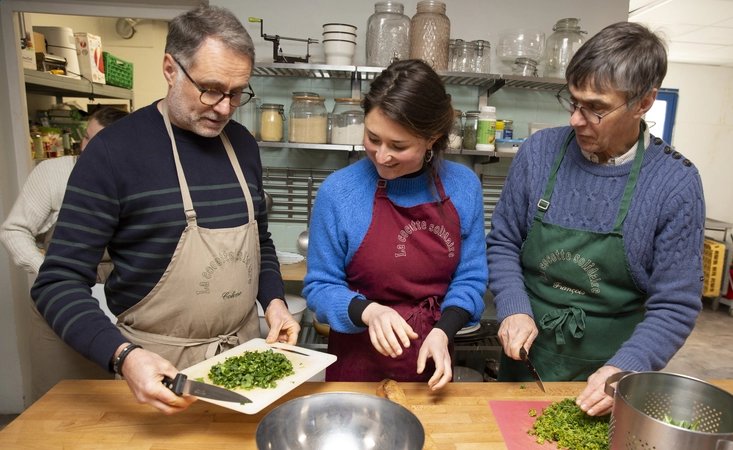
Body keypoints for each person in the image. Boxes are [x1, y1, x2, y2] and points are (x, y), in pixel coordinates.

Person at [31, 5, 300, 415]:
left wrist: (274, 302)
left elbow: (258, 241)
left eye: (237, 92)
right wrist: (123, 356)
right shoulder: (113, 153)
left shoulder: (243, 144)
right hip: (158, 376)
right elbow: (57, 283)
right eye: (211, 89)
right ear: (170, 69)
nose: (226, 108)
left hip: (243, 360)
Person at [486, 22, 705, 416]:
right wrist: (514, 305)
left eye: (596, 108)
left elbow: (675, 303)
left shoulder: (676, 184)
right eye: (573, 101)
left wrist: (627, 368)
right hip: (527, 363)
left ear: (644, 102)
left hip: (614, 374)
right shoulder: (539, 152)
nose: (576, 119)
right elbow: (503, 242)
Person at [302, 59, 488, 391]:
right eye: (373, 138)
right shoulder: (338, 192)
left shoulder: (464, 187)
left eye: (399, 146)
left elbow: (470, 279)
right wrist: (370, 312)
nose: (382, 155)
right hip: (356, 365)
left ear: (432, 138)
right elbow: (320, 287)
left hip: (433, 363)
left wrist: (444, 330)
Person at [0, 107, 128, 401]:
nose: (87, 149)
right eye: (86, 138)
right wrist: (50, 272)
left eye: (99, 143)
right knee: (59, 402)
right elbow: (13, 230)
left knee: (117, 406)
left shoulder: (134, 175)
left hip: (118, 304)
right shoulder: (54, 173)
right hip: (61, 306)